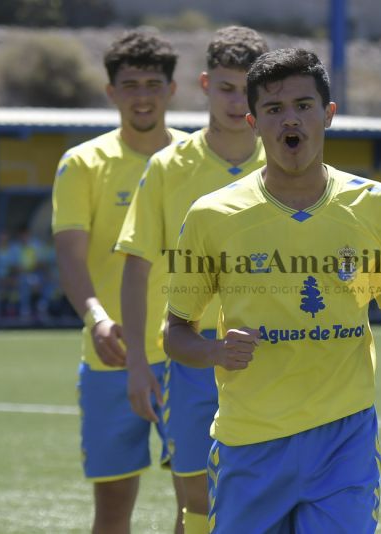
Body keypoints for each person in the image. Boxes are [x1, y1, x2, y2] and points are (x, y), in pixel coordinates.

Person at [163, 48, 381, 533]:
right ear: (254, 122)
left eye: (304, 106)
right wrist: (215, 351)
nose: (291, 120)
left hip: (343, 437)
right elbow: (175, 333)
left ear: (328, 115)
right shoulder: (211, 215)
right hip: (251, 442)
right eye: (274, 109)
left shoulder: (377, 204)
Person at [116, 26, 269, 534]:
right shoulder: (167, 167)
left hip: (272, 353)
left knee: (260, 499)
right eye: (226, 87)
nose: (236, 100)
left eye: (248, 89)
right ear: (205, 84)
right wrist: (138, 363)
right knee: (196, 506)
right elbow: (136, 268)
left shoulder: (289, 162)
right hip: (188, 355)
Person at [51, 29, 188, 534]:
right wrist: (96, 316)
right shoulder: (82, 164)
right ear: (111, 93)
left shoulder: (197, 161)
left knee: (197, 504)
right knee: (111, 511)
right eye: (131, 84)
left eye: (154, 82)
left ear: (173, 90)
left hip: (188, 356)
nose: (143, 95)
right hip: (112, 356)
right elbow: (70, 256)